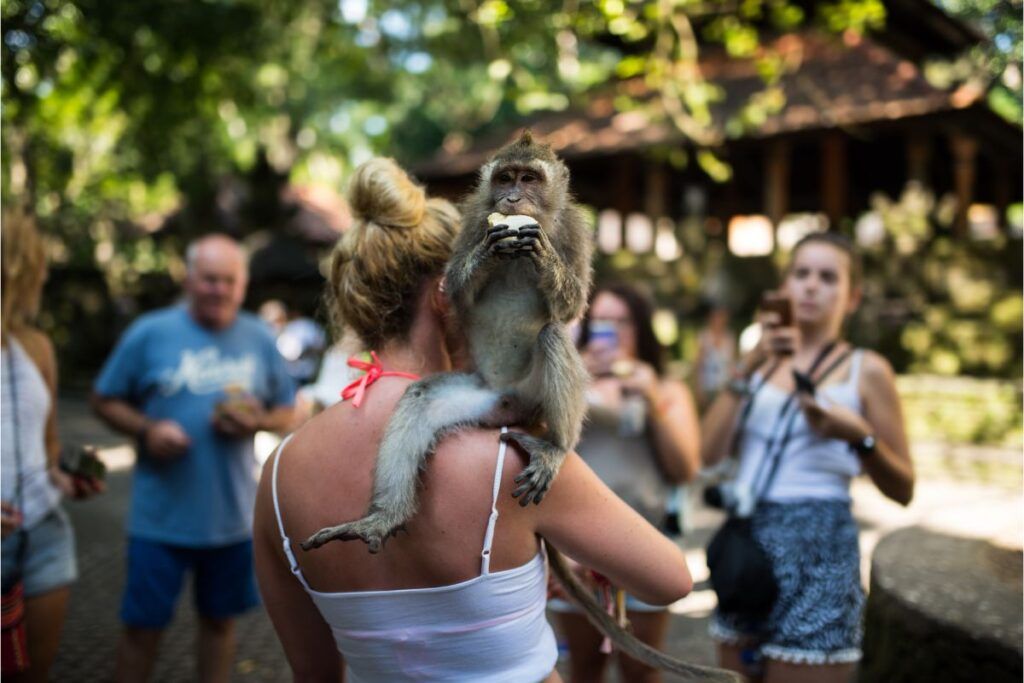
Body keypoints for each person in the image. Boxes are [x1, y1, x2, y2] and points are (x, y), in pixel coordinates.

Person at [253, 158, 693, 682]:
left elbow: (314, 673)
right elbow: (670, 581)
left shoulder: (279, 474)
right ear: (447, 295)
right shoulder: (507, 457)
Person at [701, 232, 914, 683]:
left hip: (822, 545)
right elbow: (707, 454)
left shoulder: (867, 370)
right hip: (749, 540)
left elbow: (904, 489)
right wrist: (749, 366)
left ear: (851, 297)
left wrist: (859, 437)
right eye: (801, 274)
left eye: (827, 277)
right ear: (784, 288)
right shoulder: (758, 359)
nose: (812, 286)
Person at [91, 234, 296, 683]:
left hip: (231, 522)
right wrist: (147, 428)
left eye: (229, 280)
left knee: (220, 624)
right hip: (159, 520)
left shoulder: (258, 337)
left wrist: (257, 420)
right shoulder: (150, 332)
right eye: (209, 279)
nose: (219, 289)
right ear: (189, 279)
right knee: (142, 629)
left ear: (243, 284)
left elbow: (288, 408)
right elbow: (103, 398)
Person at [550, 282, 701, 683]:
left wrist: (652, 402)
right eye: (601, 320)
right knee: (584, 669)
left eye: (622, 322)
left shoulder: (665, 388)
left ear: (642, 328)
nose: (611, 332)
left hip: (644, 543)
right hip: (577, 549)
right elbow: (542, 447)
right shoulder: (565, 383)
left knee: (641, 669)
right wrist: (576, 381)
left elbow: (684, 469)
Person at [0, 212, 104, 682]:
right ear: (16, 266)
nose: (45, 275)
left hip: (42, 532)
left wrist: (67, 476)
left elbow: (46, 446)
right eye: (39, 262)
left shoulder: (37, 346)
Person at [693, 302, 736, 410]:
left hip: (724, 385)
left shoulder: (730, 337)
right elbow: (698, 364)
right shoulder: (704, 337)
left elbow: (732, 363)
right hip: (708, 386)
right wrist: (698, 388)